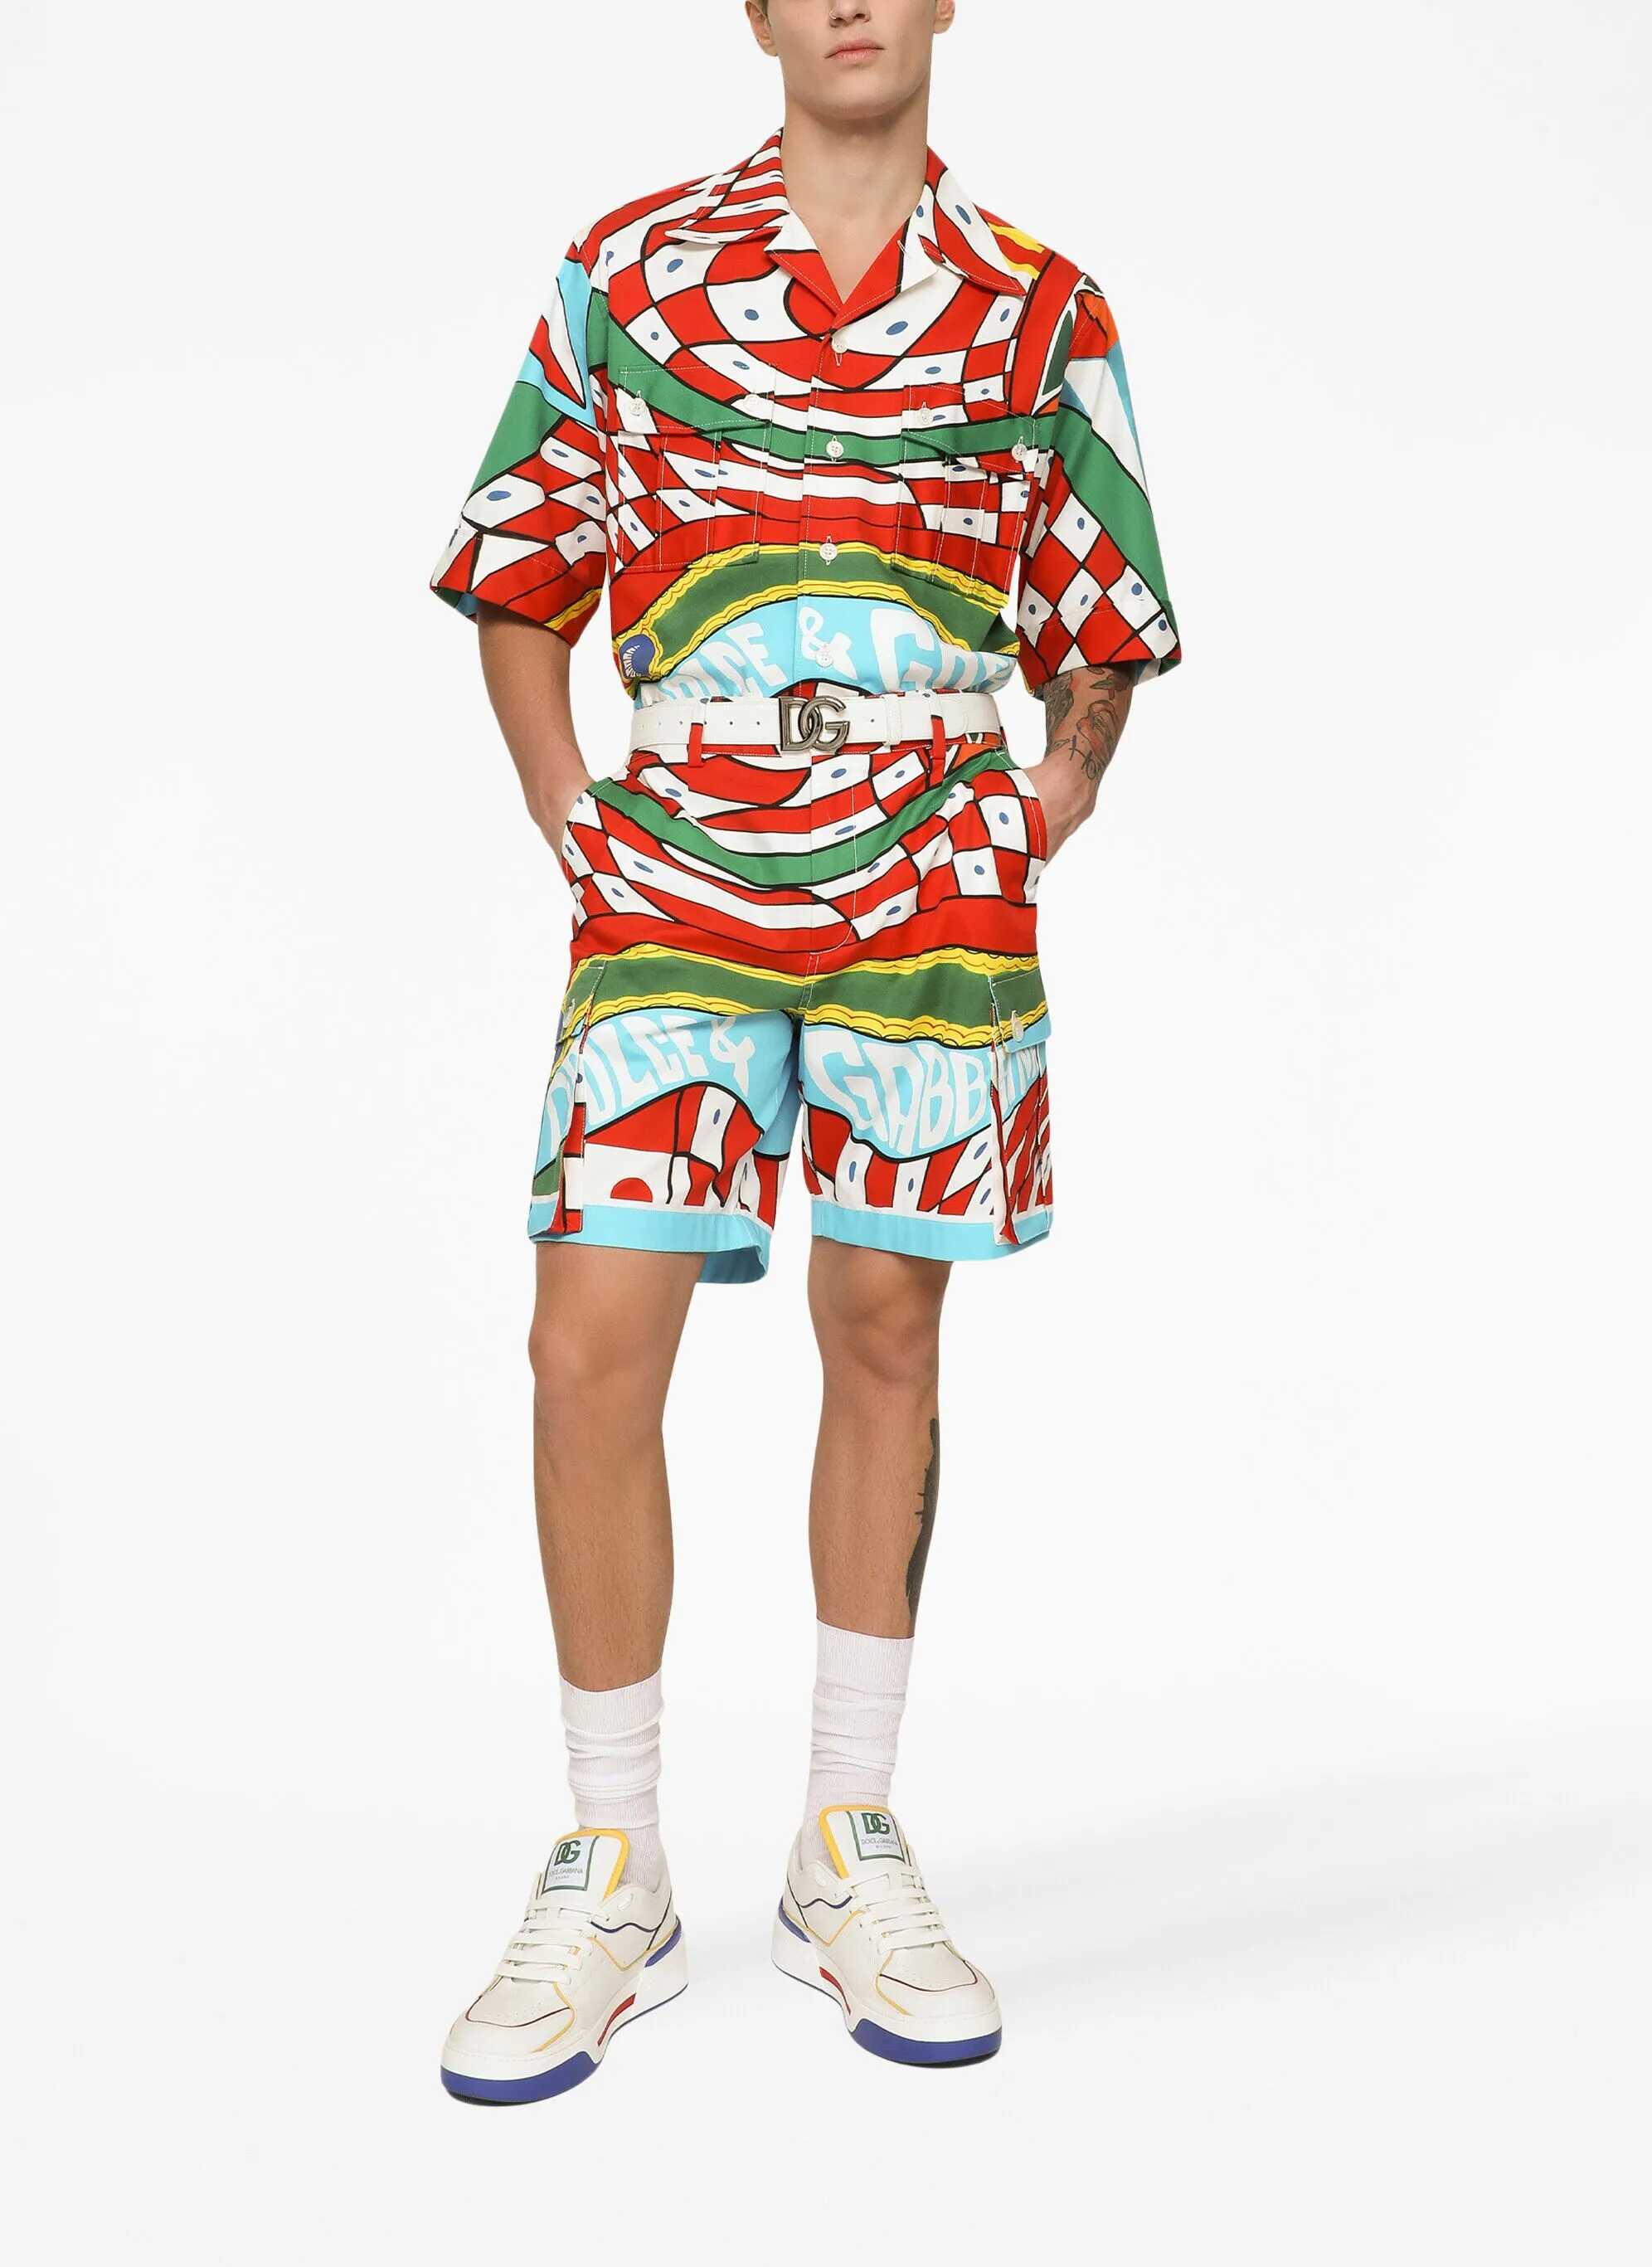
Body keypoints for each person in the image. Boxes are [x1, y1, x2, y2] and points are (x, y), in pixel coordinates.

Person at [428, 0, 1181, 2103]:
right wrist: (567, 803)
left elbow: (1104, 605)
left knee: (883, 1322)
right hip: (677, 853)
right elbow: (521, 560)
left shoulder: (1039, 300)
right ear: (754, 11)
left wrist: (1054, 788)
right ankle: (613, 1861)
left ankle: (846, 1836)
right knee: (589, 1334)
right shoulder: (631, 269)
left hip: (933, 869)